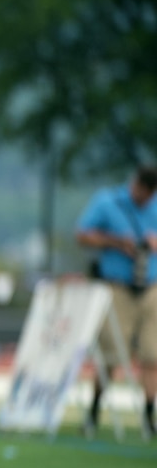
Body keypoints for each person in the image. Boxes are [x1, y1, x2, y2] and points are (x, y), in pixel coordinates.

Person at [76, 165, 157, 440]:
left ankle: (148, 414)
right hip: (118, 284)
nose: (141, 195)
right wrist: (116, 242)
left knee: (153, 352)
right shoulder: (108, 201)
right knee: (112, 348)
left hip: (152, 285)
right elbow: (82, 234)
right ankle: (95, 409)